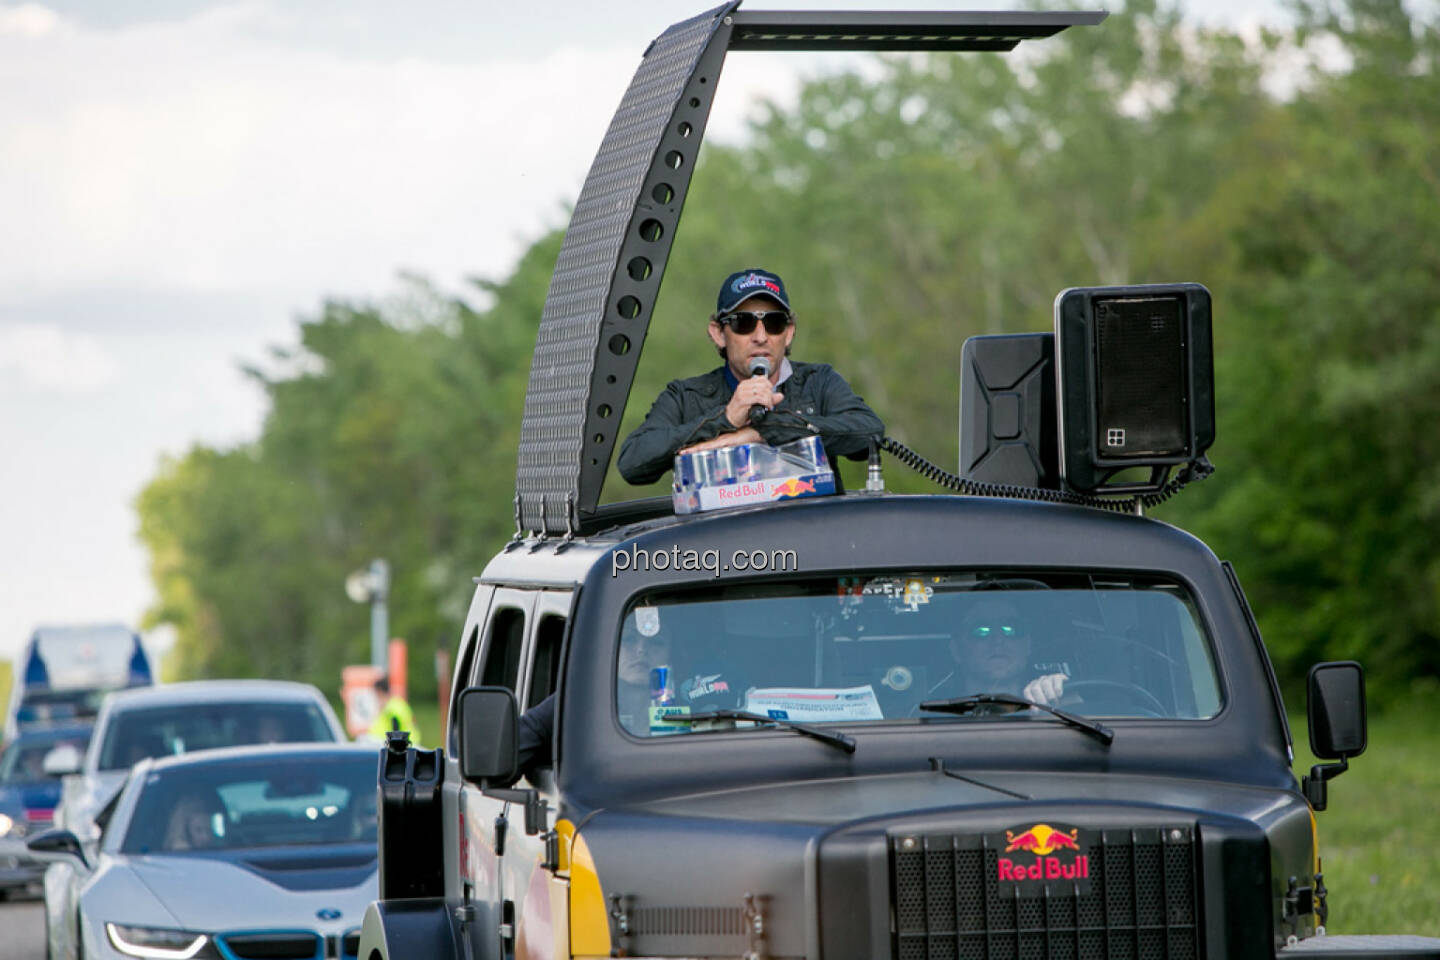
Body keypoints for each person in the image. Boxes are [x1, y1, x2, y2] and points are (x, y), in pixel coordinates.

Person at [616, 267, 885, 485]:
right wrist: (725, 419)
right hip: (727, 549)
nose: (760, 336)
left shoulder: (819, 381)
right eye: (743, 323)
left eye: (774, 323)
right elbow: (633, 463)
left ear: (789, 332)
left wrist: (763, 432)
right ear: (718, 333)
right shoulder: (686, 397)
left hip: (812, 540)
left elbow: (870, 434)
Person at [927, 594, 1068, 706]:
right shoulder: (932, 713)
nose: (998, 640)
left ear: (1028, 645)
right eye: (981, 631)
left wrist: (1060, 692)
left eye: (1011, 629)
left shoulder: (1059, 699)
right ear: (956, 650)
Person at [368, 675, 421, 745]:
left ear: (379, 692)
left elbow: (395, 730)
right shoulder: (397, 703)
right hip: (409, 743)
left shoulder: (391, 708)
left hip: (403, 746)